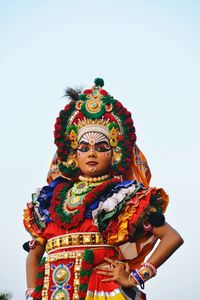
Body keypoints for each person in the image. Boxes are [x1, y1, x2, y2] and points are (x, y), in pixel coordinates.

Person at [23, 78, 183, 300]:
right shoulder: (51, 199)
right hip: (51, 291)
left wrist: (135, 277)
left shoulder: (122, 197)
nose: (91, 153)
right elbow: (35, 252)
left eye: (100, 147)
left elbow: (172, 237)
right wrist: (32, 291)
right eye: (84, 147)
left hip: (100, 290)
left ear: (114, 154)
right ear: (74, 155)